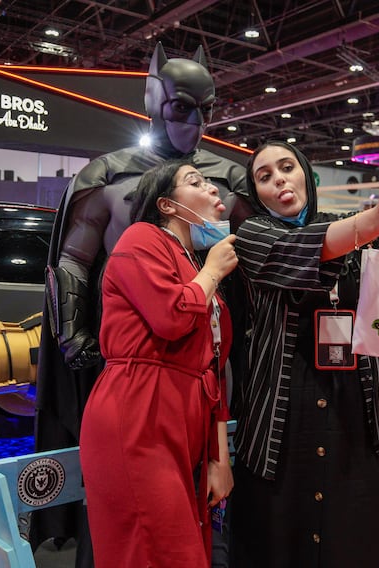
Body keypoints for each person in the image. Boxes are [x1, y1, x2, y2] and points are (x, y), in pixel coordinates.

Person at [31, 41, 249, 563]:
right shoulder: (107, 175)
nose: (195, 123)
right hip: (136, 368)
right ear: (154, 99)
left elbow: (264, 259)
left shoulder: (231, 178)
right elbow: (72, 261)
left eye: (206, 110)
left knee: (202, 504)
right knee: (137, 519)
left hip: (204, 367)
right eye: (182, 107)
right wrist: (72, 336)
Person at [228, 128, 379, 567]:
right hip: (283, 417)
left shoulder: (347, 230)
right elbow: (314, 247)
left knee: (358, 540)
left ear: (306, 174)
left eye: (287, 168)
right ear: (255, 191)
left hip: (361, 411)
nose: (280, 180)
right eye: (265, 176)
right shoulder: (252, 236)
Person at [79, 160, 236, 567]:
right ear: (167, 204)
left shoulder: (194, 264)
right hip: (138, 415)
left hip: (182, 423)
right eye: (197, 182)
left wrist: (220, 459)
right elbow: (172, 317)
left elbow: (214, 370)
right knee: (159, 551)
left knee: (174, 548)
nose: (214, 191)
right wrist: (215, 271)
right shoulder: (142, 238)